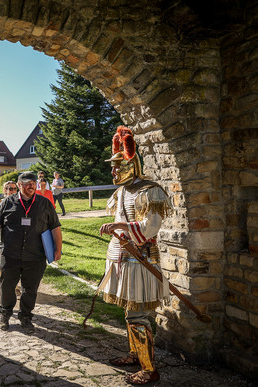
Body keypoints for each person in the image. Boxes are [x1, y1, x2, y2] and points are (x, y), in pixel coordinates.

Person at [98, 126, 171, 385]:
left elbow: (151, 228)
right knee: (130, 313)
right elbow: (119, 218)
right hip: (123, 258)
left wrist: (121, 227)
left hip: (141, 260)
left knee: (137, 315)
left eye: (118, 166)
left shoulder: (149, 191)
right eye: (113, 167)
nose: (113, 171)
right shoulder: (121, 192)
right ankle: (135, 354)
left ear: (132, 165)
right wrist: (119, 228)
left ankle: (149, 369)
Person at [0, 171, 62, 333]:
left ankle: (25, 317)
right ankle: (5, 314)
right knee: (7, 286)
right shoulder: (7, 202)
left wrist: (59, 248)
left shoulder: (45, 203)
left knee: (30, 289)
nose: (31, 185)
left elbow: (55, 227)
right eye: (27, 183)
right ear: (19, 185)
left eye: (33, 182)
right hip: (10, 254)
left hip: (35, 256)